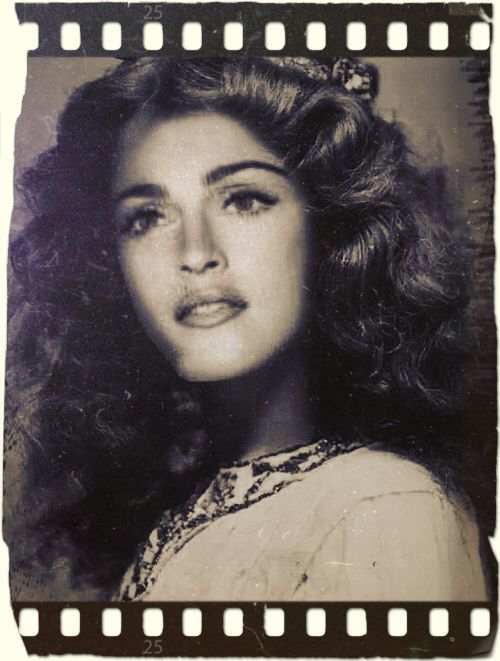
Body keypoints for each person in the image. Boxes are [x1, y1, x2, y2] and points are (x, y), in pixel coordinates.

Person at [4, 56, 492, 601]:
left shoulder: (385, 507)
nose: (195, 253)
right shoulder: (194, 510)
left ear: (329, 228)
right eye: (146, 217)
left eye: (243, 200)